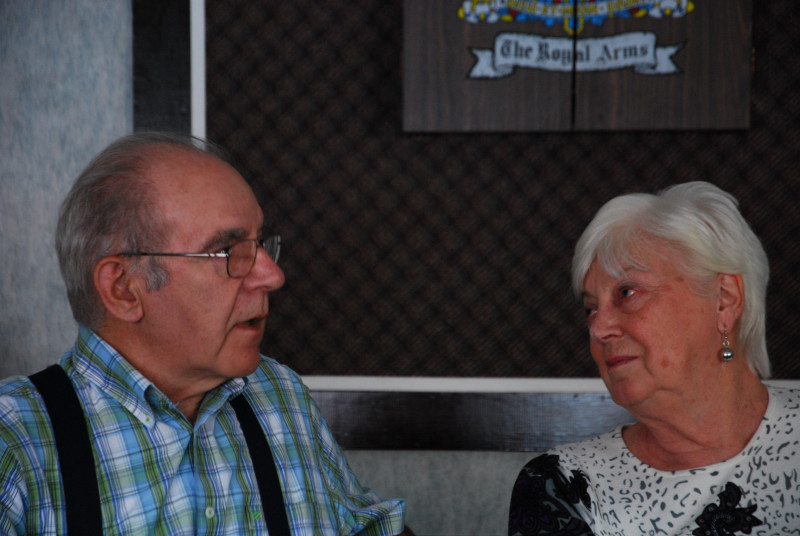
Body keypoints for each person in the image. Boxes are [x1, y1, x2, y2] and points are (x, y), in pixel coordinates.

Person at [0, 132, 408, 535]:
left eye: (260, 243)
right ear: (123, 288)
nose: (272, 275)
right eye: (229, 251)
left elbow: (367, 527)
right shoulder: (14, 443)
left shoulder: (279, 394)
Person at [508, 182, 800, 535]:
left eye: (627, 292)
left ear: (723, 300)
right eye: (590, 309)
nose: (598, 329)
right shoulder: (565, 486)